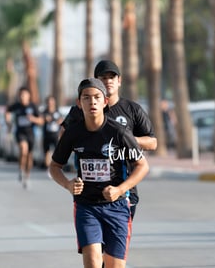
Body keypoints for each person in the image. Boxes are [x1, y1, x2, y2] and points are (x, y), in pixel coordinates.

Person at [48, 78, 149, 268]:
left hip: (117, 207)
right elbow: (54, 166)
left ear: (105, 102)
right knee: (94, 262)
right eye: (86, 98)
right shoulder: (73, 133)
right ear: (79, 103)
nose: (92, 102)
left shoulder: (119, 132)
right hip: (86, 206)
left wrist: (120, 190)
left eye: (96, 97)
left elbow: (142, 166)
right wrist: (68, 184)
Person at [60, 60, 157, 219]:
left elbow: (153, 143)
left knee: (116, 243)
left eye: (112, 77)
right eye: (103, 78)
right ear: (96, 82)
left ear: (119, 81)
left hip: (123, 190)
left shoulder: (132, 109)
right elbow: (63, 136)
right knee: (93, 241)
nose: (108, 81)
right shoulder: (81, 110)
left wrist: (126, 140)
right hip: (88, 193)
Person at [5, 87, 43, 189]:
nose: (22, 97)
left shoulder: (33, 107)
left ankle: (27, 175)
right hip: (19, 133)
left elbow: (41, 121)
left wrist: (33, 119)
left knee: (29, 156)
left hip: (30, 133)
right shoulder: (16, 106)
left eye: (24, 95)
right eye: (21, 95)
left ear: (28, 96)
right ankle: (21, 170)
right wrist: (8, 122)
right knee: (23, 149)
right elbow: (7, 110)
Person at [41, 95, 63, 168]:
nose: (50, 103)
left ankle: (55, 167)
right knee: (47, 152)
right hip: (47, 135)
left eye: (52, 102)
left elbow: (61, 121)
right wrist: (45, 119)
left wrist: (59, 122)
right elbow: (41, 121)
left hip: (55, 135)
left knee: (57, 153)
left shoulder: (57, 111)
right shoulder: (44, 112)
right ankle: (48, 168)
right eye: (49, 102)